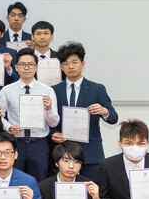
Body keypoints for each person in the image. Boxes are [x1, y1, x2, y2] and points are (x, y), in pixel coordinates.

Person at [50, 41, 118, 182]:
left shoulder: (97, 89)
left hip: (91, 153)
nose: (71, 66)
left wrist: (104, 111)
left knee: (92, 193)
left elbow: (113, 118)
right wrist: (53, 134)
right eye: (66, 63)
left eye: (75, 62)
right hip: (64, 153)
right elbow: (50, 120)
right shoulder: (54, 90)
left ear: (83, 63)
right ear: (61, 67)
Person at [0, 48, 59, 182]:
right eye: (22, 64)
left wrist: (48, 109)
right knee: (14, 180)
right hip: (16, 142)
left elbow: (54, 123)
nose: (26, 68)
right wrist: (8, 127)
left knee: (39, 181)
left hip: (39, 143)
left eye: (31, 64)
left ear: (36, 67)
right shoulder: (7, 90)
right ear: (16, 67)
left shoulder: (47, 90)